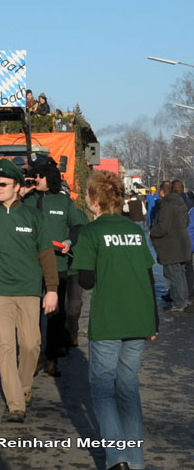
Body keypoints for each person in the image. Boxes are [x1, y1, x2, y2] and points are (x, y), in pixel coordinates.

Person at [72, 170, 158, 470]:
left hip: (109, 319)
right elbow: (149, 275)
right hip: (140, 318)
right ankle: (135, 460)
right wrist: (154, 323)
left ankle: (116, 456)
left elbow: (85, 280)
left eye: (87, 194)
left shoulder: (91, 233)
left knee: (103, 388)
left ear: (95, 201)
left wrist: (76, 254)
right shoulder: (135, 230)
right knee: (129, 388)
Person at [0, 159, 58, 423]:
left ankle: (24, 387)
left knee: (31, 345)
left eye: (4, 184)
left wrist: (51, 289)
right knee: (6, 348)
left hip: (30, 291)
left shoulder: (33, 216)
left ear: (17, 187)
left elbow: (46, 255)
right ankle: (16, 404)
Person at [18, 154, 87, 377]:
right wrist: (20, 195)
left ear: (50, 177)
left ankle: (52, 357)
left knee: (55, 315)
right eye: (33, 175)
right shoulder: (24, 201)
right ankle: (35, 357)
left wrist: (68, 241)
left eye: (40, 175)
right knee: (31, 314)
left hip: (58, 265)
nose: (36, 179)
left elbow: (78, 225)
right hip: (30, 266)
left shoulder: (63, 201)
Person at [150, 179, 191, 311]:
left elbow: (163, 227)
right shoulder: (181, 203)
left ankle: (179, 302)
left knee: (173, 274)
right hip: (182, 242)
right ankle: (183, 300)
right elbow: (186, 221)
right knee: (180, 273)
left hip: (171, 245)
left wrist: (152, 232)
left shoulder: (167, 205)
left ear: (162, 192)